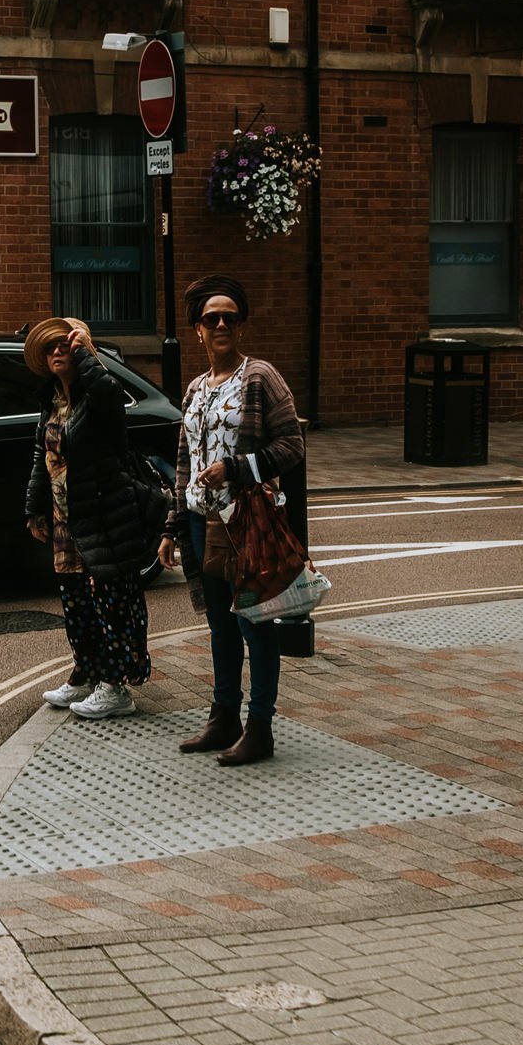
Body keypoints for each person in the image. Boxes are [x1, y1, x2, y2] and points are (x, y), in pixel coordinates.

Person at [157, 276, 304, 767]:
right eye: (211, 318)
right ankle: (225, 717)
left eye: (230, 317)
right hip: (203, 522)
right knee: (221, 625)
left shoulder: (259, 377)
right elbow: (185, 462)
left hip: (244, 522)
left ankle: (260, 726)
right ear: (197, 329)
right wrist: (172, 526)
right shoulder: (197, 389)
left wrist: (238, 468)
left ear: (240, 326)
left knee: (254, 623)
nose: (221, 324)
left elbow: (291, 447)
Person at [23, 316, 156, 720]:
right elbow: (41, 459)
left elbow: (110, 392)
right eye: (52, 348)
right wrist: (34, 506)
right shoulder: (51, 403)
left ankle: (116, 688)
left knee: (111, 603)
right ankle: (86, 673)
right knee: (77, 604)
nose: (59, 352)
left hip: (103, 515)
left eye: (66, 345)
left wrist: (86, 353)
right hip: (67, 521)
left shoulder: (98, 400)